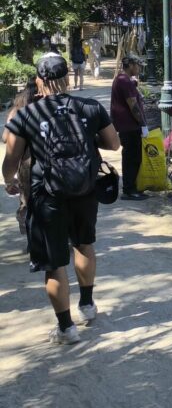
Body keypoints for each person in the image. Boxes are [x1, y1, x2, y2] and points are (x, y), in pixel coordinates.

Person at [2, 53, 120, 344]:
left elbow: (11, 158)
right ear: (68, 77)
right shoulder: (90, 108)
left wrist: (9, 181)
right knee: (84, 244)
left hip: (46, 196)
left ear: (40, 80)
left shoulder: (27, 115)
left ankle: (67, 328)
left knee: (54, 263)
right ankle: (88, 306)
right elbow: (114, 143)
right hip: (84, 190)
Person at [4, 80, 39, 246]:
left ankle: (32, 238)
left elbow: (5, 137)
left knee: (27, 200)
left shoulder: (17, 110)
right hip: (48, 161)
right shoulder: (47, 107)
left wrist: (8, 179)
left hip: (26, 163)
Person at [110, 53, 149, 201]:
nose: (139, 68)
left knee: (132, 157)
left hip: (127, 126)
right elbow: (133, 105)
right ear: (131, 65)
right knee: (132, 158)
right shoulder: (124, 81)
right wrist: (143, 124)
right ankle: (129, 190)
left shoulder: (124, 80)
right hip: (130, 126)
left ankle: (131, 188)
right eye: (138, 65)